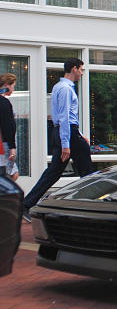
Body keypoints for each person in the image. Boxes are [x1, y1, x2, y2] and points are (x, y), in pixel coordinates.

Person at [23, 58, 94, 222]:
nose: (82, 73)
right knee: (88, 172)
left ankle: (27, 204)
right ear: (74, 69)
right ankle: (92, 208)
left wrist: (79, 134)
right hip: (67, 132)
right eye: (81, 69)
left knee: (54, 172)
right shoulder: (65, 89)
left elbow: (67, 116)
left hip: (67, 132)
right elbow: (64, 117)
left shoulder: (59, 87)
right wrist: (66, 144)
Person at [0, 73, 19, 182]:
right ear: (7, 85)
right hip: (4, 144)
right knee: (10, 174)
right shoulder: (5, 103)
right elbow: (8, 126)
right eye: (13, 86)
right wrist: (12, 147)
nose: (13, 89)